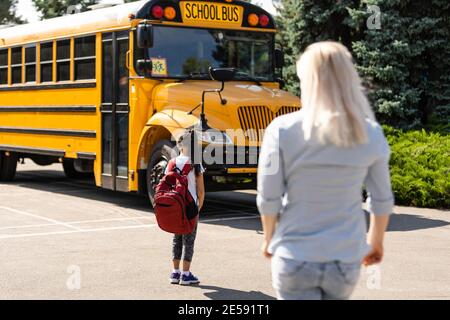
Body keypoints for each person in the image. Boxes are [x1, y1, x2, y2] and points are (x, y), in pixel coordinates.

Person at [257, 41, 394, 300]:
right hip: (344, 259)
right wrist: (376, 243)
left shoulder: (281, 129)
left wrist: (268, 237)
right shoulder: (370, 133)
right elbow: (381, 198)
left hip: (294, 255)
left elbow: (269, 195)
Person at [166, 130, 205, 285]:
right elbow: (201, 191)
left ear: (179, 145)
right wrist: (198, 207)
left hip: (176, 206)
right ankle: (186, 274)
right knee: (189, 241)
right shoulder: (196, 164)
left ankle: (175, 273)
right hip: (191, 206)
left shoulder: (172, 162)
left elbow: (166, 185)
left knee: (177, 238)